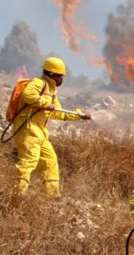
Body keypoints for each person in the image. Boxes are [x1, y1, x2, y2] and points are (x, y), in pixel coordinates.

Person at [12, 57, 92, 196]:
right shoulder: (38, 83)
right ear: (52, 74)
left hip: (40, 132)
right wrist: (45, 103)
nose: (61, 79)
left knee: (50, 160)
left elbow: (59, 113)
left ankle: (52, 196)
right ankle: (16, 195)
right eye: (60, 75)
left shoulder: (51, 90)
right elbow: (28, 95)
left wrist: (80, 116)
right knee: (28, 161)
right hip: (27, 128)